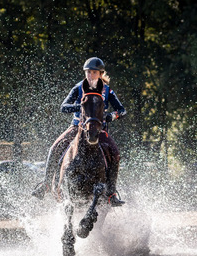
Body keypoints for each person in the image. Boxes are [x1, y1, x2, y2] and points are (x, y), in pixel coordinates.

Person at [32, 57, 127, 205]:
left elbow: (122, 110)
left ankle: (111, 194)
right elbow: (64, 106)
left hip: (99, 130)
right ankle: (45, 184)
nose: (90, 75)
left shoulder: (107, 90)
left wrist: (112, 116)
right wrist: (80, 107)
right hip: (77, 127)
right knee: (54, 147)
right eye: (88, 72)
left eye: (94, 72)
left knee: (115, 153)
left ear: (100, 74)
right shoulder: (78, 88)